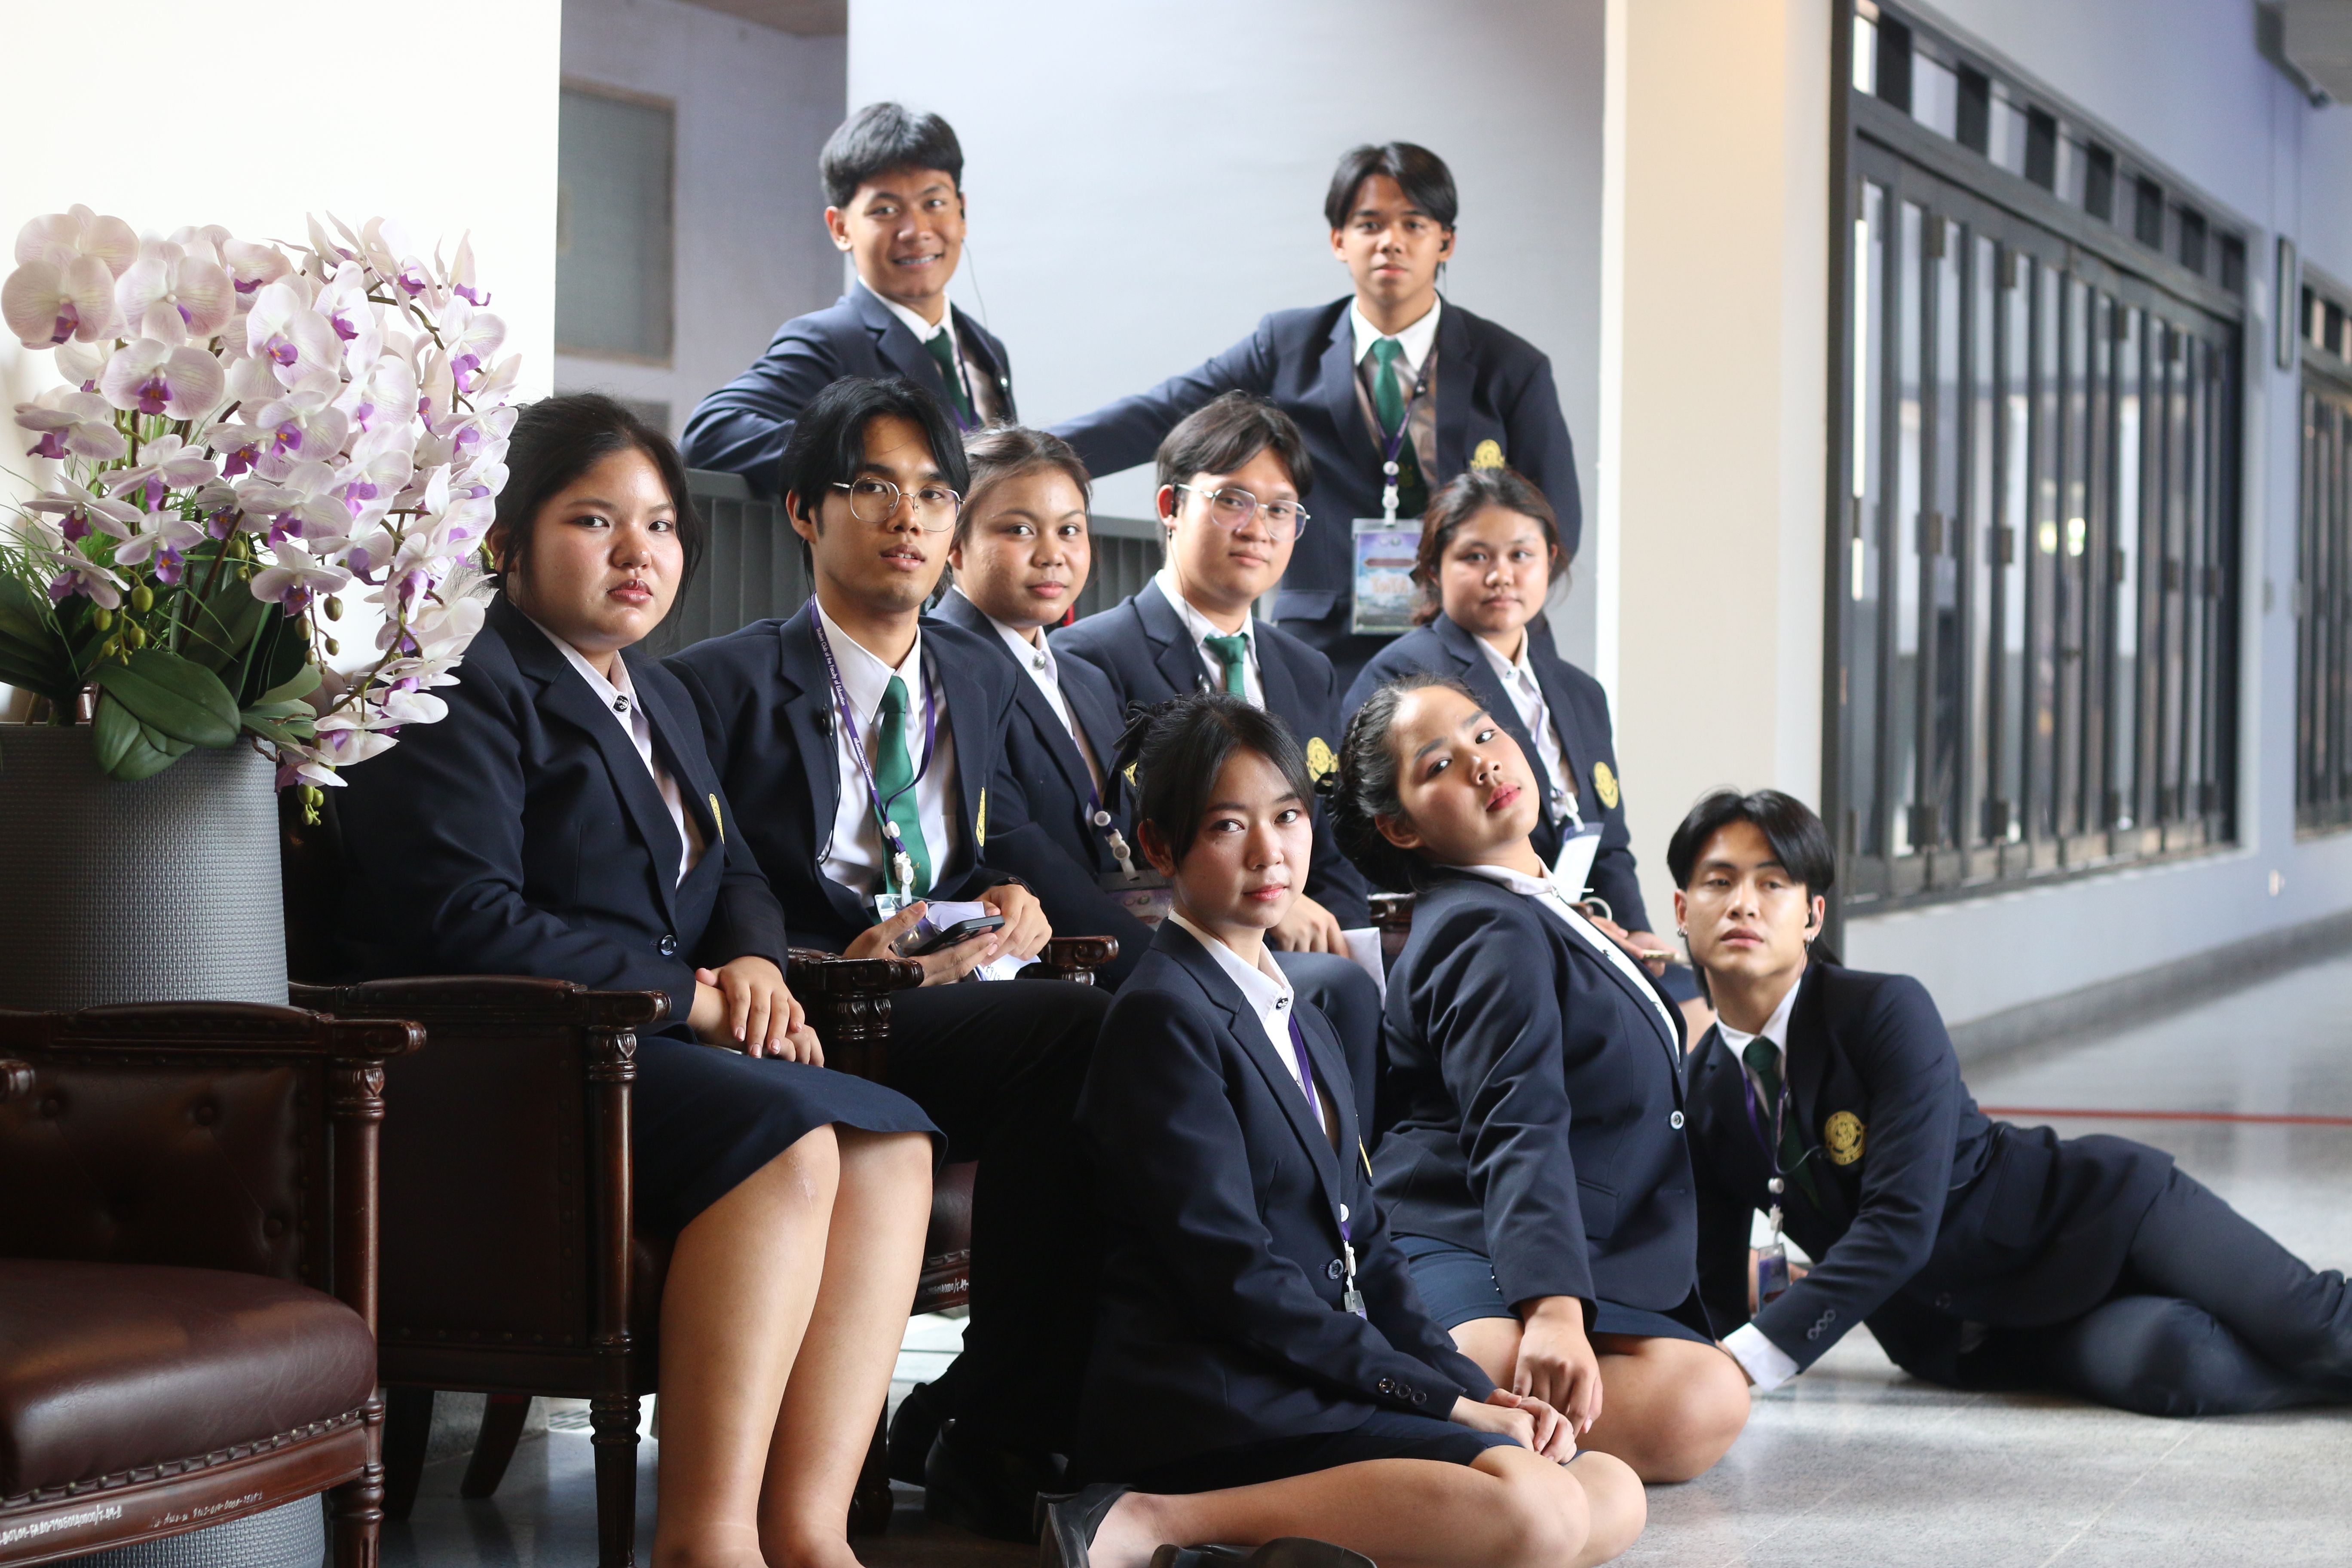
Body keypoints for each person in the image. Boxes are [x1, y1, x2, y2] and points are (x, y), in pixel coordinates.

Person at [334, 393, 938, 1568]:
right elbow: (461, 918)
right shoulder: (457, 675)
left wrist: (753, 958)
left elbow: (736, 868)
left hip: (637, 1052)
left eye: (660, 527)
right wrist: (692, 998)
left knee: (893, 1144)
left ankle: (809, 1534)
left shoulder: (652, 691)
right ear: (505, 539)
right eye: (593, 521)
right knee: (789, 1141)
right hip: (509, 1060)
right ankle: (707, 1541)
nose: (637, 554)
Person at [1050, 691, 1644, 1568]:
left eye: (1288, 816)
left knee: (1610, 1491)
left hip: (1307, 1369)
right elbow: (1236, 1280)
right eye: (1227, 826)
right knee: (1543, 1514)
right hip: (1221, 1392)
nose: (1270, 852)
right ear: (1160, 848)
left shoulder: (1303, 1010)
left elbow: (1369, 1242)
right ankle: (1154, 1521)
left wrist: (1472, 1390)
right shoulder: (1162, 1016)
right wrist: (1440, 1404)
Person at [665, 377, 1109, 1537]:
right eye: (872, 488)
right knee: (1086, 1035)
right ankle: (999, 1429)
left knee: (1150, 1036)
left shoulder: (977, 674)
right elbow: (708, 887)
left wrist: (1013, 897)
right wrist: (822, 961)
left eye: (932, 494)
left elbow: (982, 841)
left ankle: (1026, 1408)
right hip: (827, 1012)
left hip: (966, 996)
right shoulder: (716, 684)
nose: (907, 518)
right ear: (804, 511)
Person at [1675, 788, 2352, 1416]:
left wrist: (1749, 1360)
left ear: (1813, 916)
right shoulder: (1702, 1086)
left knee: (2318, 1326)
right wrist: (1698, 1370)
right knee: (2184, 1365)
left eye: (1772, 883)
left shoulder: (1882, 1010)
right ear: (1681, 910)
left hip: (2099, 1219)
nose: (1743, 905)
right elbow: (1710, 1270)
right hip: (1971, 1335)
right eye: (1719, 882)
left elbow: (1900, 1223)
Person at [1325, 675, 1748, 1484]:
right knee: (1700, 1400)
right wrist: (1552, 1310)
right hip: (1464, 1234)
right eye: (1439, 764)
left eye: (1484, 734)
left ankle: (1441, 1403)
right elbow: (1518, 1123)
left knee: (1702, 1395)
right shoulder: (1482, 926)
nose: (1482, 763)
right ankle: (1392, 1400)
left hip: (1580, 1244)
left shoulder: (1536, 905)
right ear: (1400, 826)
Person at [1053, 142, 1579, 688]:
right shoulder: (1287, 345)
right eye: (1370, 224)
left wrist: (1484, 600)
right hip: (1326, 646)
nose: (1391, 241)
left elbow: (1557, 521)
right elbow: (1157, 415)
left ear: (1445, 240)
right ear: (1339, 240)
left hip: (1466, 632)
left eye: (1414, 224)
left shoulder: (1510, 367)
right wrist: (1028, 461)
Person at [1051, 392, 1383, 1118]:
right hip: (1178, 939)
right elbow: (1122, 834)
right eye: (1233, 499)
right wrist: (1272, 898)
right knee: (1341, 992)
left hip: (1296, 939)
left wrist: (1333, 923)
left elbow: (1332, 838)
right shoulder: (1090, 657)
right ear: (1170, 505)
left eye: (1280, 509)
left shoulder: (1307, 669)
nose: (1257, 527)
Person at [1341, 468, 1703, 1031]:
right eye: (1475, 557)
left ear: (1551, 559)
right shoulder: (1406, 680)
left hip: (1588, 931)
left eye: (1521, 555)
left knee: (1696, 1012)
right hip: (1493, 936)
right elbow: (1380, 854)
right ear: (1434, 567)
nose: (1501, 576)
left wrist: (1637, 935)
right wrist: (1567, 922)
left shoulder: (1580, 692)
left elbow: (1609, 844)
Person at [681, 102, 1014, 490]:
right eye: (886, 210)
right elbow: (711, 433)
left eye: (934, 204)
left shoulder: (986, 348)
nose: (916, 230)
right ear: (840, 228)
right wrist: (877, 460)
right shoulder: (830, 341)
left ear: (962, 211)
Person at [931, 425, 1153, 989]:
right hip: (1035, 969)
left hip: (1122, 946)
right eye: (1020, 530)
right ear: (953, 542)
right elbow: (1018, 853)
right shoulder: (939, 668)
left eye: (1070, 530)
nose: (1052, 555)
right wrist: (1173, 969)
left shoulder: (1086, 677)